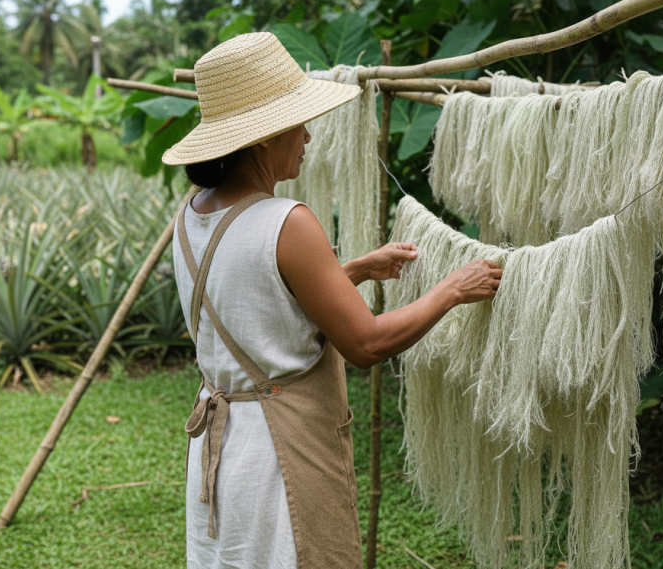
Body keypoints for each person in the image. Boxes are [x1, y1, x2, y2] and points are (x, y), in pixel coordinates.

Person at [164, 32, 503, 569]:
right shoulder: (287, 222)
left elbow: (252, 296)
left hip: (221, 449)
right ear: (261, 138)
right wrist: (451, 290)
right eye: (297, 122)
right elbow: (367, 343)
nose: (307, 134)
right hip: (282, 455)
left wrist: (351, 271)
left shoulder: (191, 216)